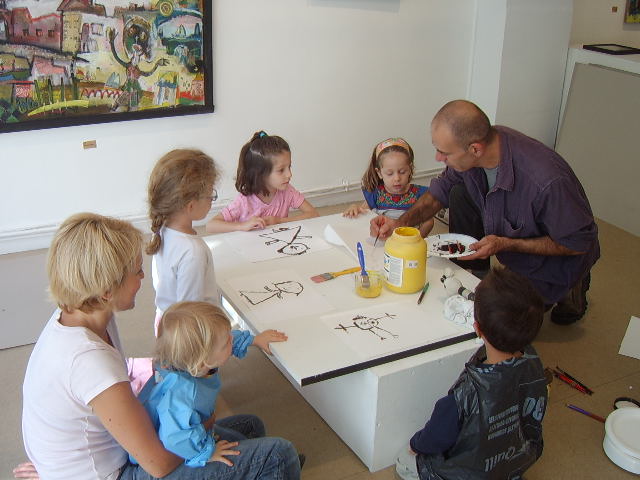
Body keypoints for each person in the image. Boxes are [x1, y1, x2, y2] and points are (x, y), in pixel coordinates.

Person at [20, 213, 301, 480]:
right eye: (137, 271)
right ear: (106, 292)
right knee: (278, 454)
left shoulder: (83, 315)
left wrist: (55, 465)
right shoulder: (89, 361)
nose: (142, 277)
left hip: (112, 452)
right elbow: (158, 464)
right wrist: (207, 424)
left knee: (250, 426)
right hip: (122, 472)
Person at [371, 100, 600, 324]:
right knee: (459, 192)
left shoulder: (546, 181)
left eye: (444, 153)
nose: (438, 158)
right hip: (514, 234)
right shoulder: (481, 146)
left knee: (499, 320)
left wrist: (506, 244)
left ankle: (573, 287)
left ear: (475, 149)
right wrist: (399, 223)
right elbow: (438, 194)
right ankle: (475, 271)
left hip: (558, 257)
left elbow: (577, 243)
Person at [395, 268, 547, 480]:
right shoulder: (534, 361)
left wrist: (414, 445)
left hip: (469, 474)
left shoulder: (465, 394)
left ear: (477, 328)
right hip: (518, 458)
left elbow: (435, 437)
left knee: (404, 462)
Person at [130, 301, 294, 469]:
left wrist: (254, 340)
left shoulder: (192, 361)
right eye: (227, 342)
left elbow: (224, 341)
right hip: (180, 452)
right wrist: (208, 452)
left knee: (250, 429)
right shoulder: (183, 395)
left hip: (198, 426)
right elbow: (175, 438)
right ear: (203, 362)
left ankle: (277, 467)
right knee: (242, 450)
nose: (231, 339)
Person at [147, 149, 220, 335]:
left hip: (166, 321)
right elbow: (190, 311)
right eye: (210, 195)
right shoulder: (192, 252)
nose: (212, 200)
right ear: (191, 205)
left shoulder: (161, 229)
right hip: (188, 334)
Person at [206, 131, 319, 233]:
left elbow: (313, 214)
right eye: (281, 170)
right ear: (261, 174)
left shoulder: (288, 191)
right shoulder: (244, 201)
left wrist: (280, 221)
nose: (289, 174)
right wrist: (241, 226)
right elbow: (210, 226)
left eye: (289, 167)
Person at [343, 137, 434, 237]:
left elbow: (429, 222)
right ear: (379, 173)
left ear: (410, 169)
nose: (397, 178)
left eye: (402, 172)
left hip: (407, 241)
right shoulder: (376, 193)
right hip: (383, 240)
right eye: (390, 174)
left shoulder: (420, 194)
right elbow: (363, 211)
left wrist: (416, 239)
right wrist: (354, 207)